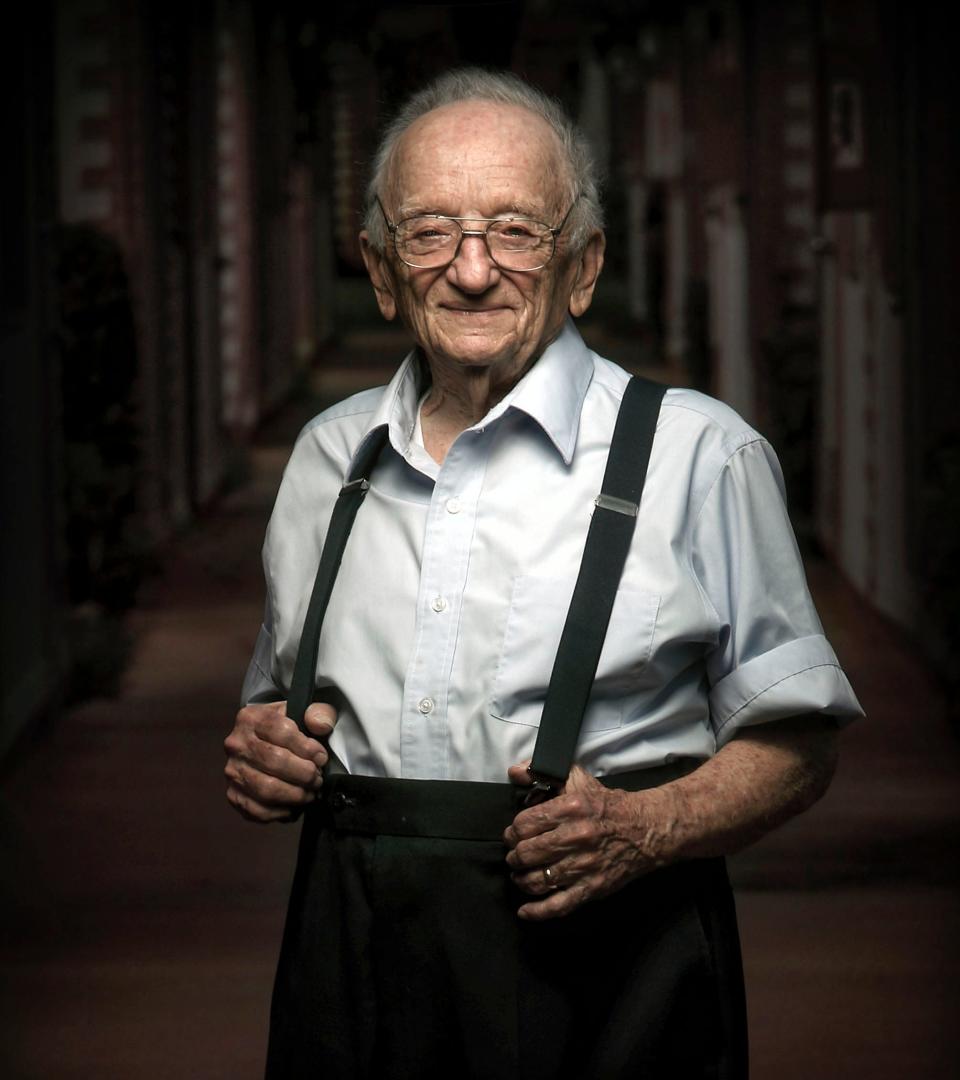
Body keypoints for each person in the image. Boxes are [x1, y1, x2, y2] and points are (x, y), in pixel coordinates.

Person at [224, 68, 862, 1079]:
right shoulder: (324, 459)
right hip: (353, 966)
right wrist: (266, 745)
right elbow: (281, 702)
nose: (472, 271)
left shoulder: (699, 455)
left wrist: (651, 827)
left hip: (617, 971)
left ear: (582, 263)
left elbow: (802, 738)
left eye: (516, 231)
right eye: (431, 230)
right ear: (382, 268)